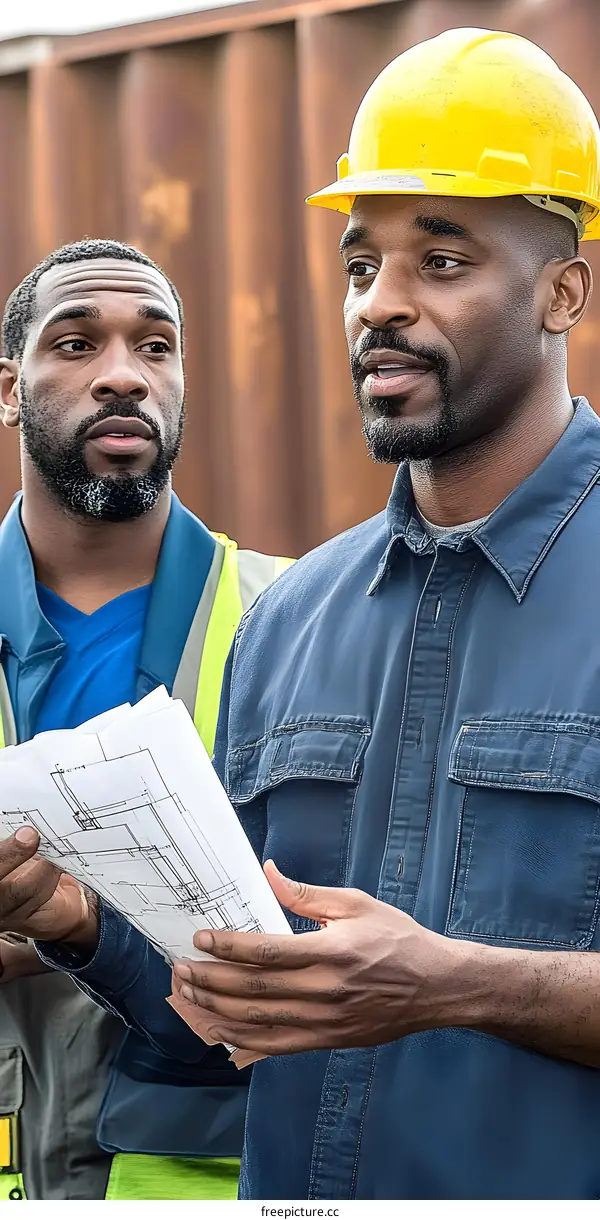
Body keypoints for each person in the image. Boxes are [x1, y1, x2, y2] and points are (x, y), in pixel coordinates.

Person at [2, 25, 600, 1201]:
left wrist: (459, 982)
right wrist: (77, 920)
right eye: (359, 264)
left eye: (439, 260)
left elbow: (427, 986)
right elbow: (206, 1033)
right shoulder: (294, 621)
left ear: (562, 291)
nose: (379, 304)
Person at [0, 238, 292, 1201]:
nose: (123, 375)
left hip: (203, 1167)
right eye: (77, 344)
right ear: (10, 389)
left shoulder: (298, 618)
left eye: (155, 347)